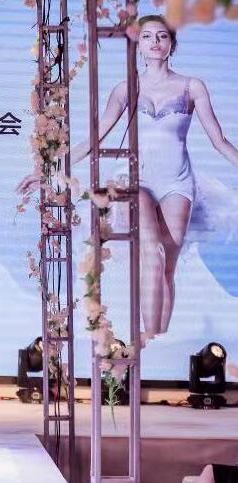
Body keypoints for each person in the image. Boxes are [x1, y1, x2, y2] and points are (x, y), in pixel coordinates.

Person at [17, 14, 238, 338]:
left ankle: (160, 341)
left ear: (172, 43)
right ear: (138, 45)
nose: (155, 42)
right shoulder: (125, 89)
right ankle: (148, 342)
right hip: (137, 180)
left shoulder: (192, 87)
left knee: (167, 267)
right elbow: (95, 139)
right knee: (152, 252)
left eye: (162, 36)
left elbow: (219, 141)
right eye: (147, 36)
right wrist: (48, 171)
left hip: (178, 182)